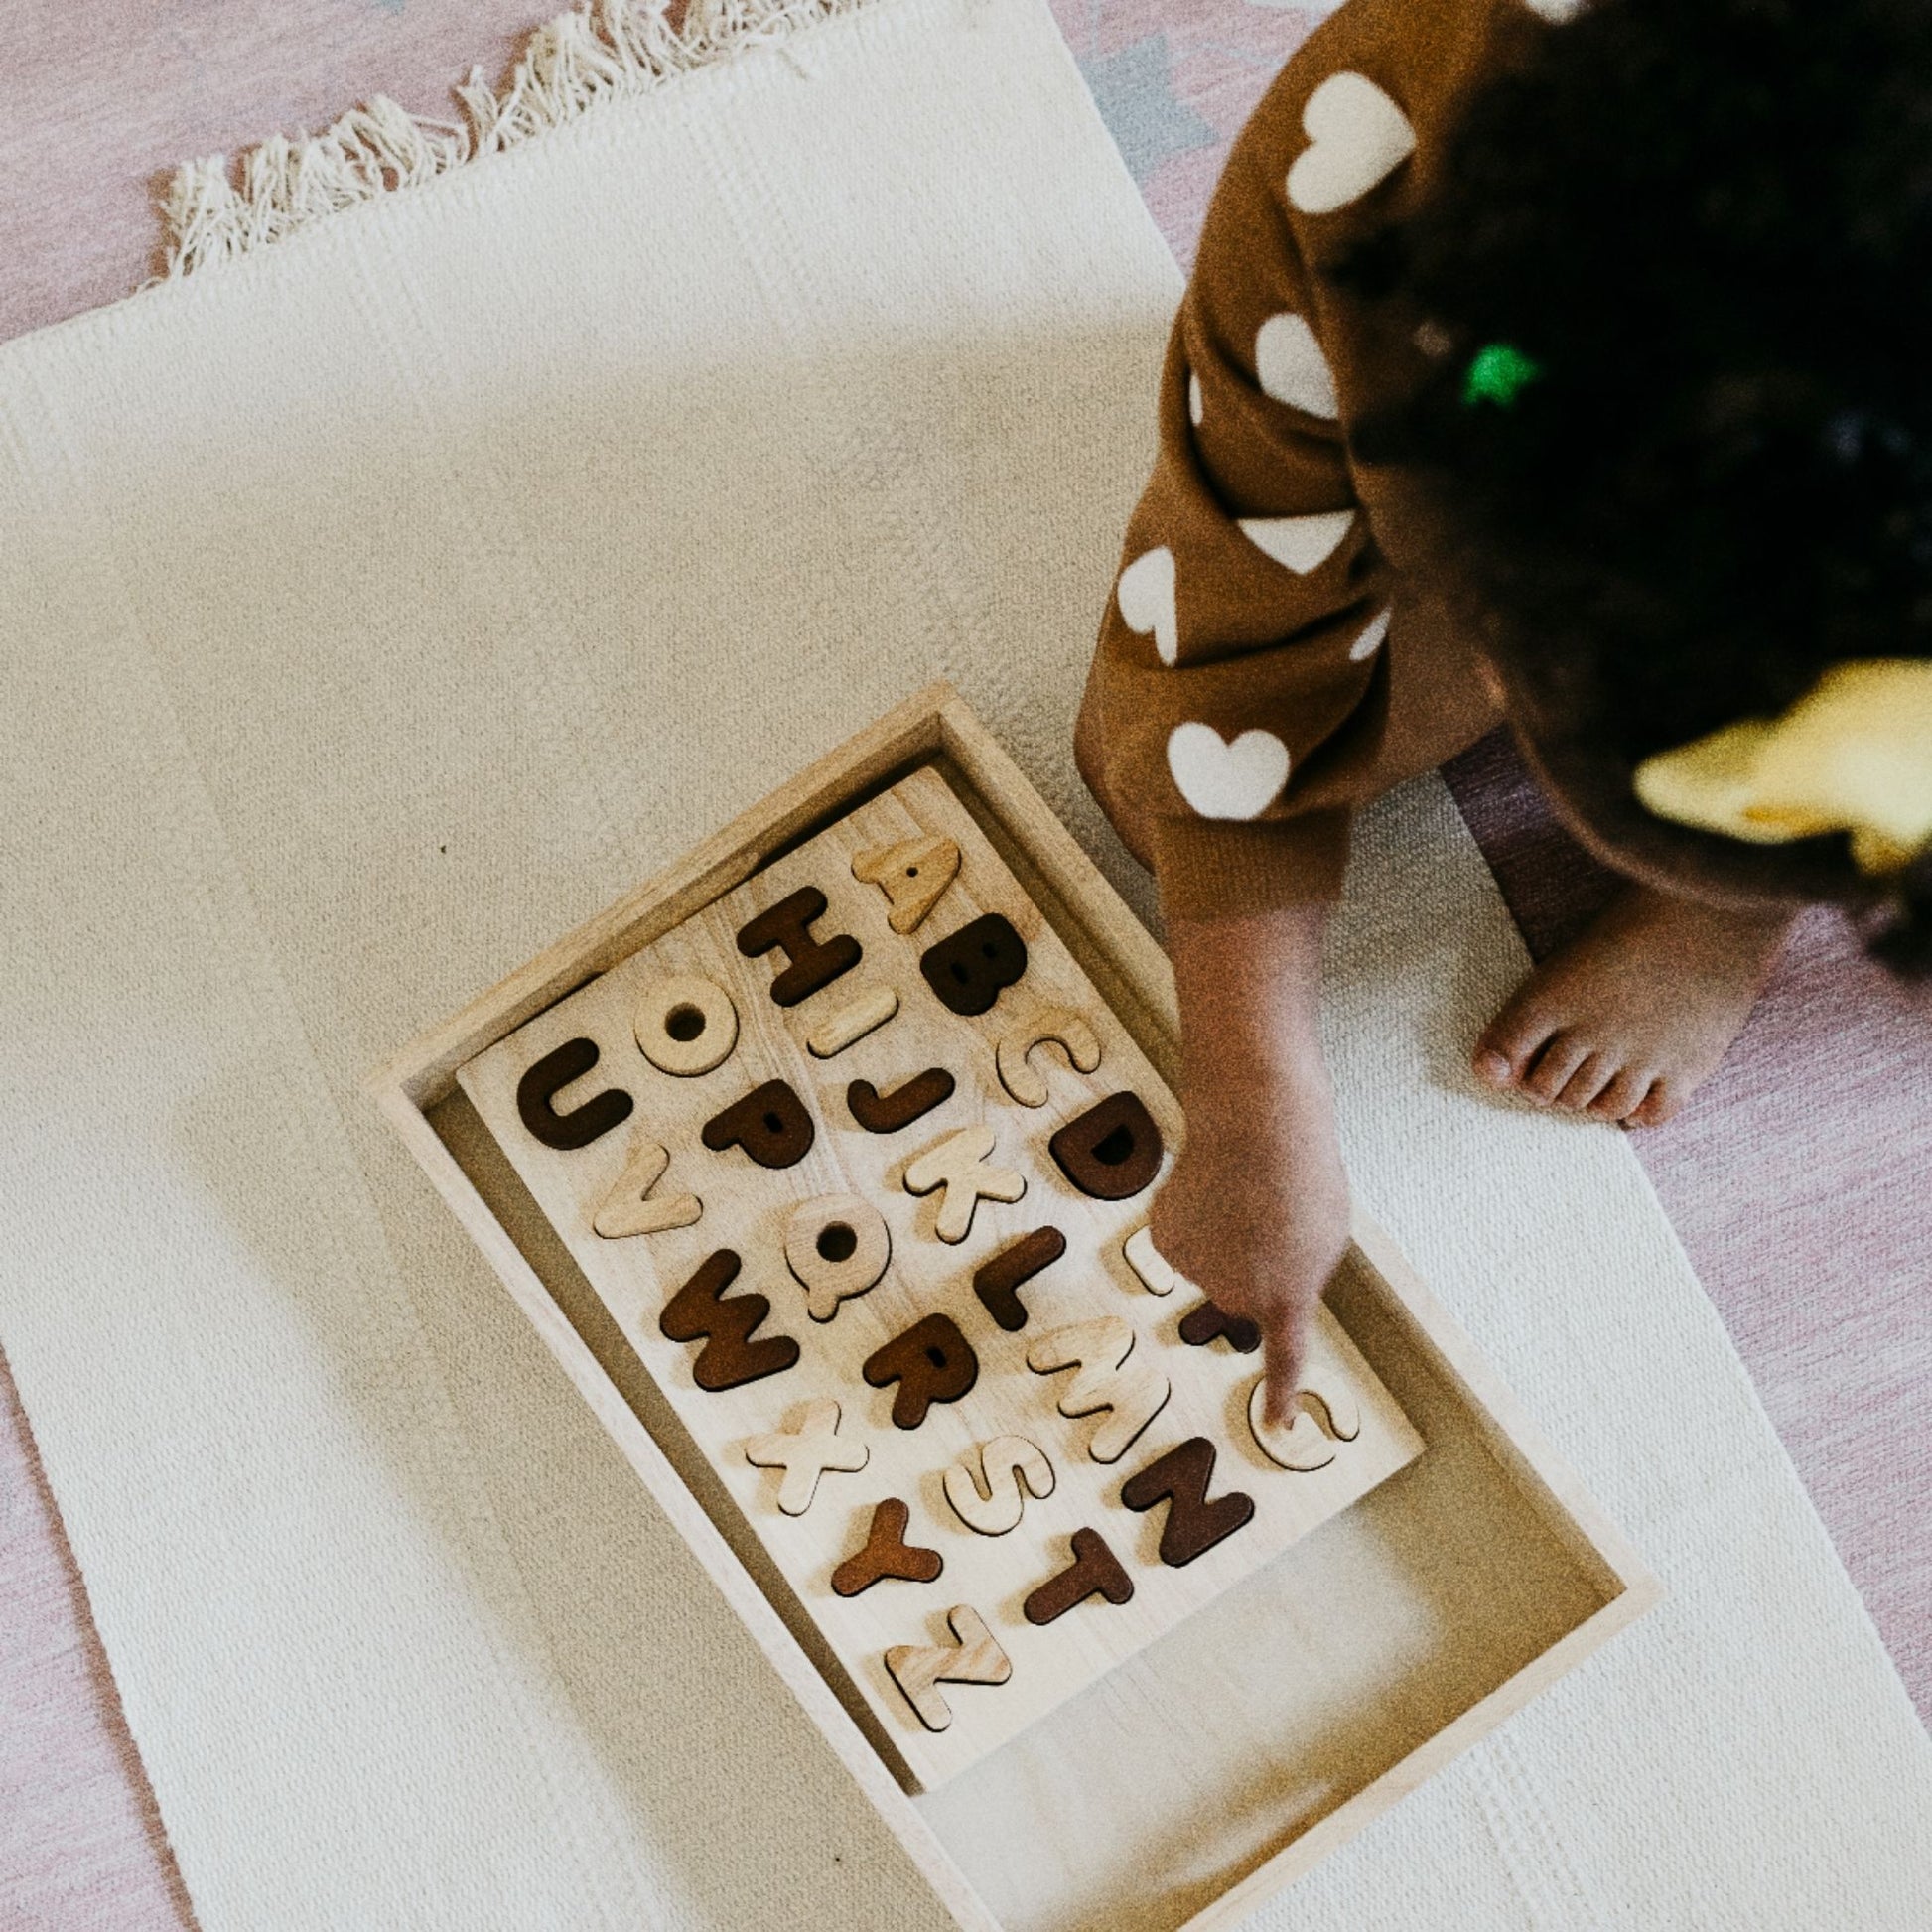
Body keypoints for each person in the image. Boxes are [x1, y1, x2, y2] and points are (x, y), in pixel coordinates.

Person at [1075, 0, 1932, 1418]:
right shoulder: (1368, 181)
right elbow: (1220, 642)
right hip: (1464, 374)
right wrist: (1248, 1089)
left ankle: (1733, 899)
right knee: (1147, 777)